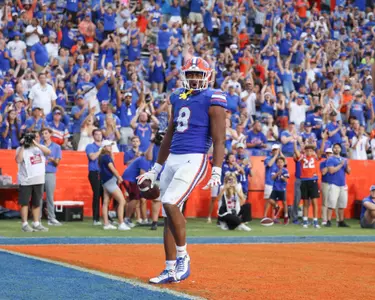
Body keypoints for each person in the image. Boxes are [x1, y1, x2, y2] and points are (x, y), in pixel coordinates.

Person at [138, 57, 226, 284]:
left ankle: (183, 257)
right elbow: (169, 134)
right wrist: (155, 169)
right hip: (173, 158)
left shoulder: (213, 97)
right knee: (167, 214)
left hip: (194, 158)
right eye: (191, 74)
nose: (195, 78)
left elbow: (219, 139)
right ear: (185, 76)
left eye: (199, 74)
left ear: (207, 76)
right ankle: (169, 268)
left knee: (169, 201)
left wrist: (216, 169)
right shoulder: (177, 96)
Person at [16, 130, 51, 232]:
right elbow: (18, 160)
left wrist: (36, 143)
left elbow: (48, 152)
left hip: (39, 179)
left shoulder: (40, 148)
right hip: (26, 179)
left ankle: (36, 223)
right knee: (25, 202)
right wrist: (24, 145)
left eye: (36, 136)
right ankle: (25, 224)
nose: (34, 138)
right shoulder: (21, 149)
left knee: (36, 202)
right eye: (32, 137)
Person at [294, 134, 326, 229]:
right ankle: (305, 220)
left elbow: (321, 151)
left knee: (314, 202)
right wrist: (295, 142)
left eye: (311, 150)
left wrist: (323, 139)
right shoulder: (302, 158)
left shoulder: (315, 158)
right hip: (304, 181)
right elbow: (296, 152)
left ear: (313, 152)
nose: (309, 152)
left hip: (313, 181)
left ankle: (315, 221)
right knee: (305, 203)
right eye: (307, 150)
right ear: (305, 151)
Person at [98, 140, 129, 230]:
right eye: (108, 146)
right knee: (122, 201)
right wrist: (119, 177)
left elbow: (112, 161)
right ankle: (121, 223)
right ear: (104, 147)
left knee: (105, 202)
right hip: (110, 181)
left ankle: (106, 224)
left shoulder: (102, 157)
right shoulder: (106, 157)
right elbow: (112, 168)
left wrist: (111, 152)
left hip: (105, 181)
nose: (110, 147)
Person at [40, 128, 62, 226]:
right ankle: (38, 218)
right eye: (43, 133)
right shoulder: (39, 146)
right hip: (39, 173)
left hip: (50, 173)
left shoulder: (56, 147)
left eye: (46, 133)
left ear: (50, 134)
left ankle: (51, 218)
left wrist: (52, 160)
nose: (44, 135)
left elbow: (57, 163)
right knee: (38, 197)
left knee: (49, 196)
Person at [326, 143, 351, 227]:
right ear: (333, 149)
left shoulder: (344, 159)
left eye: (338, 148)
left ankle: (341, 221)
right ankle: (328, 221)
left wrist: (347, 165)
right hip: (334, 184)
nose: (337, 149)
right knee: (331, 204)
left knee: (342, 204)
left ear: (340, 149)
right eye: (335, 148)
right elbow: (331, 171)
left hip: (342, 184)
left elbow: (349, 172)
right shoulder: (330, 159)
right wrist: (341, 164)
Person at [85, 129, 104, 226]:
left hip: (104, 173)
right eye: (96, 134)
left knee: (105, 196)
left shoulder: (105, 147)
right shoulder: (90, 146)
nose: (98, 136)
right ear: (93, 136)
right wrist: (101, 150)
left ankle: (106, 218)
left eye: (100, 134)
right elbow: (92, 157)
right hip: (94, 172)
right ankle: (95, 218)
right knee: (97, 195)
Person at [261, 144, 283, 223]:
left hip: (277, 183)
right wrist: (276, 156)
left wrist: (280, 154)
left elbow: (286, 163)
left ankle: (274, 217)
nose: (275, 151)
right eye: (274, 150)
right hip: (269, 182)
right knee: (268, 199)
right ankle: (265, 216)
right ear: (272, 151)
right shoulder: (268, 158)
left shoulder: (280, 161)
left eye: (277, 150)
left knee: (275, 199)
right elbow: (269, 164)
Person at [269, 157, 290, 225]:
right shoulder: (274, 169)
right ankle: (277, 206)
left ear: (284, 163)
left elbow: (286, 180)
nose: (280, 163)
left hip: (282, 188)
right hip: (275, 188)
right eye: (278, 162)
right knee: (271, 200)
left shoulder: (285, 170)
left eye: (281, 162)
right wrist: (278, 173)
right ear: (276, 163)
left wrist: (282, 177)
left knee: (284, 202)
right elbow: (272, 178)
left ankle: (286, 217)